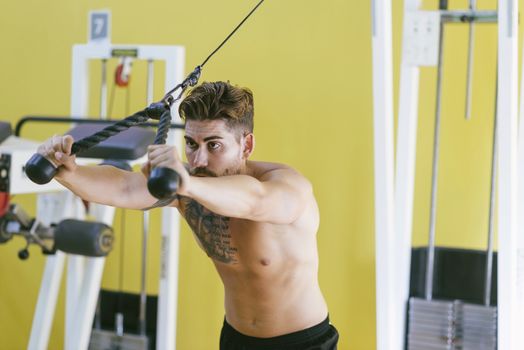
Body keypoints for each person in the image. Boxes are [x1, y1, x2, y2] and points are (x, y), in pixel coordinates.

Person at [37, 81, 339, 349]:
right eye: (192, 144)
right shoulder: (190, 185)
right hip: (235, 339)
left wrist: (186, 182)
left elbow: (254, 202)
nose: (199, 159)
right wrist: (69, 173)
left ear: (246, 144)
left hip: (302, 342)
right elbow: (125, 188)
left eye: (214, 145)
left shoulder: (285, 186)